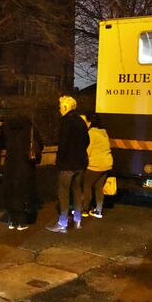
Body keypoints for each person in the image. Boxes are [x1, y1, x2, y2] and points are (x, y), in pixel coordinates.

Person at [47, 96, 89, 233]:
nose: (59, 109)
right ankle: (77, 221)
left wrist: (59, 161)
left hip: (68, 164)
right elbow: (87, 141)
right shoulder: (81, 121)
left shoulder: (65, 121)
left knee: (63, 193)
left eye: (60, 107)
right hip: (81, 163)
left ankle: (62, 223)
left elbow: (63, 144)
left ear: (65, 107)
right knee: (77, 191)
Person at [2, 114, 44, 230]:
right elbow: (39, 143)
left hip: (10, 165)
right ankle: (21, 221)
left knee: (11, 192)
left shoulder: (9, 129)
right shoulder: (29, 129)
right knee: (23, 193)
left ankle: (11, 220)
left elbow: (3, 143)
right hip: (25, 166)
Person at [81, 112, 113, 218]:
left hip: (95, 165)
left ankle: (85, 210)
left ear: (90, 122)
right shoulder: (104, 132)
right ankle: (98, 211)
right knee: (99, 187)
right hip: (107, 164)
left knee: (87, 186)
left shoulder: (91, 134)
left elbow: (87, 151)